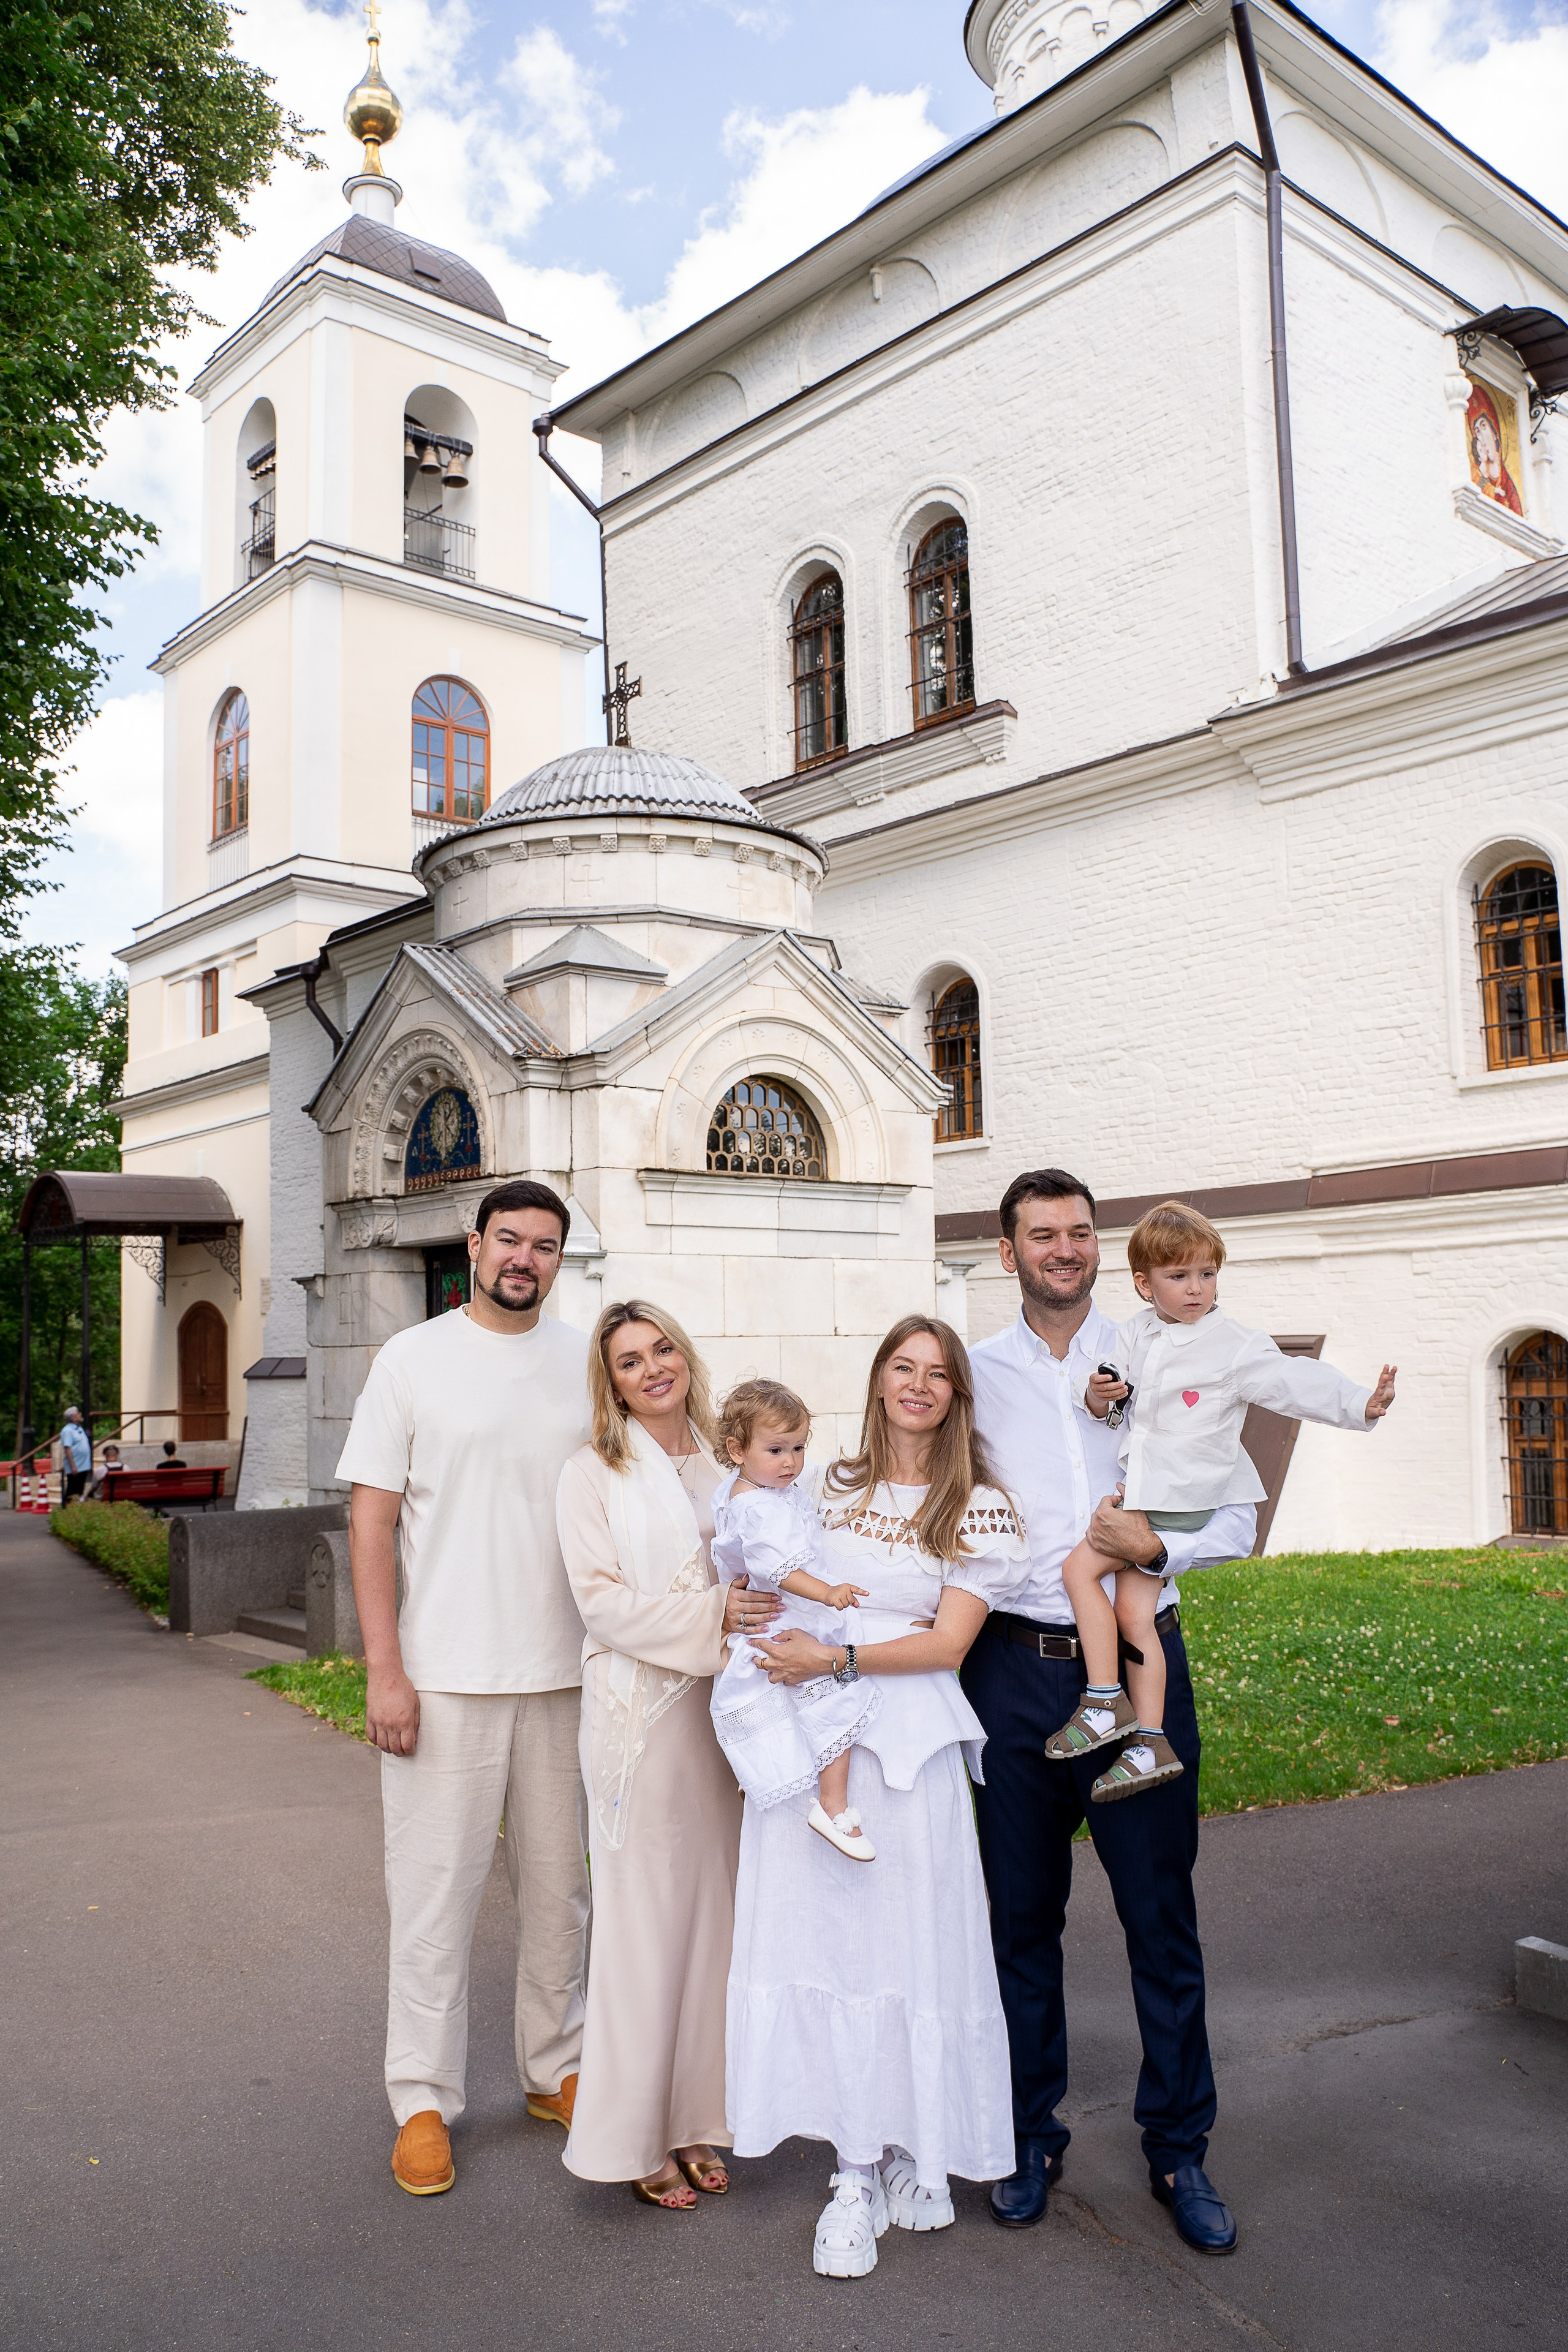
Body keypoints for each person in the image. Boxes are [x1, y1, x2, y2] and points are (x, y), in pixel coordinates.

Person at [965, 1170, 1256, 2256]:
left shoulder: (1172, 1354)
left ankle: (1180, 2146)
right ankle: (1029, 2134)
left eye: (1081, 1233)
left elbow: (1236, 1510)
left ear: (1102, 1246)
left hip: (1138, 1670)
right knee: (1019, 1921)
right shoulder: (971, 1374)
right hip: (1008, 1675)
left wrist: (1162, 1549)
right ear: (1009, 1252)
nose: (1065, 1249)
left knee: (1158, 1916)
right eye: (1042, 1235)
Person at [732, 1316, 1028, 2280]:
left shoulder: (979, 1504)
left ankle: (913, 2144)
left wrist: (840, 1652)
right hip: (822, 1731)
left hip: (912, 1742)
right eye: (903, 1367)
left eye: (937, 1373)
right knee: (834, 1943)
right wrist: (783, 1645)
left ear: (956, 1394)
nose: (918, 1385)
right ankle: (851, 2174)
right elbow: (770, 1565)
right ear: (877, 1380)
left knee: (911, 1942)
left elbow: (948, 1643)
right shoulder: (829, 1482)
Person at [337, 1180, 592, 2198]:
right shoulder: (412, 1361)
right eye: (510, 1241)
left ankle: (555, 2067)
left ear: (558, 1260)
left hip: (570, 1674)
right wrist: (385, 1671)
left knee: (560, 1897)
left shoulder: (586, 1363)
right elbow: (370, 1524)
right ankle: (424, 2101)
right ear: (477, 1245)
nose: (525, 1259)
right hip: (441, 1681)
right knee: (433, 1904)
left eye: (545, 1246)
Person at [1050, 1198, 1397, 1801]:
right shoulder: (1135, 1332)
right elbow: (1107, 1396)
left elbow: (1291, 1380)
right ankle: (1149, 1740)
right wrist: (1100, 1393)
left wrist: (1357, 1403)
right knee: (1134, 1615)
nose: (1195, 1289)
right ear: (1143, 1283)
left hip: (1182, 1497)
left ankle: (1106, 1700)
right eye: (1178, 1276)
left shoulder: (1231, 1344)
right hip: (1144, 1491)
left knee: (1080, 1569)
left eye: (1206, 1274)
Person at [555, 1300, 781, 2210]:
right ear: (608, 1382)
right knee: (643, 1931)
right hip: (640, 1719)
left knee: (716, 1927)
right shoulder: (591, 1472)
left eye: (661, 1351)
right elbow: (599, 1604)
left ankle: (696, 2119)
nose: (651, 1369)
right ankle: (630, 2137)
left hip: (732, 1717)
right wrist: (712, 1618)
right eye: (627, 1362)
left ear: (685, 1355)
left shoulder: (735, 1461)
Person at [708, 1378, 880, 1860]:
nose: (791, 1462)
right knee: (835, 1704)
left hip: (767, 1625)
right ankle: (834, 1807)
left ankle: (774, 1782)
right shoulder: (761, 1509)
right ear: (737, 1449)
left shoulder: (741, 1491)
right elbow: (779, 1570)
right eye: (777, 1449)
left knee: (792, 1713)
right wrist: (827, 1592)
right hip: (789, 1620)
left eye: (799, 1448)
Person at [59, 1409, 92, 1501]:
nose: (80, 1414)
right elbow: (67, 1448)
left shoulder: (79, 1428)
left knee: (80, 1489)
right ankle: (68, 1508)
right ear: (73, 1418)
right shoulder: (68, 1431)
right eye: (78, 1413)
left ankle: (77, 1509)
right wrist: (73, 1466)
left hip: (83, 1465)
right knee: (73, 1489)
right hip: (76, 1466)